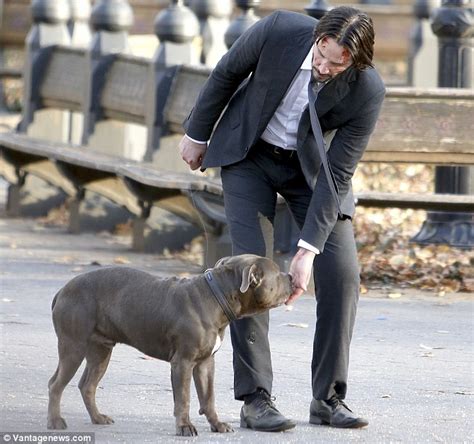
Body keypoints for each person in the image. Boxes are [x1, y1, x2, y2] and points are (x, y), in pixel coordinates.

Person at [179, 6, 385, 432]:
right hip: (250, 156)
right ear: (317, 38)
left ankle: (328, 398)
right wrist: (197, 134)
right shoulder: (280, 30)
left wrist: (308, 250)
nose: (324, 68)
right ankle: (256, 399)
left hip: (311, 174)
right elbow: (226, 73)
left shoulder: (367, 89)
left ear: (358, 59)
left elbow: (338, 174)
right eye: (321, 56)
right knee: (249, 269)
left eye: (337, 63)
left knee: (343, 273)